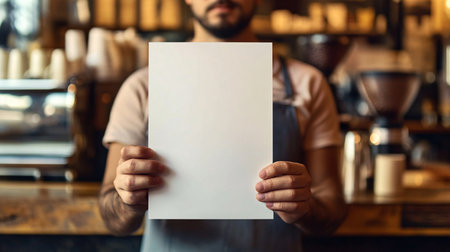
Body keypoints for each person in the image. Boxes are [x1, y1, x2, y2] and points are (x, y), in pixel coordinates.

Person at [99, 0, 347, 251]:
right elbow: (111, 215)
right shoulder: (142, 86)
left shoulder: (308, 84)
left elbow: (332, 209)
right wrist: (127, 201)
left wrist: (305, 208)